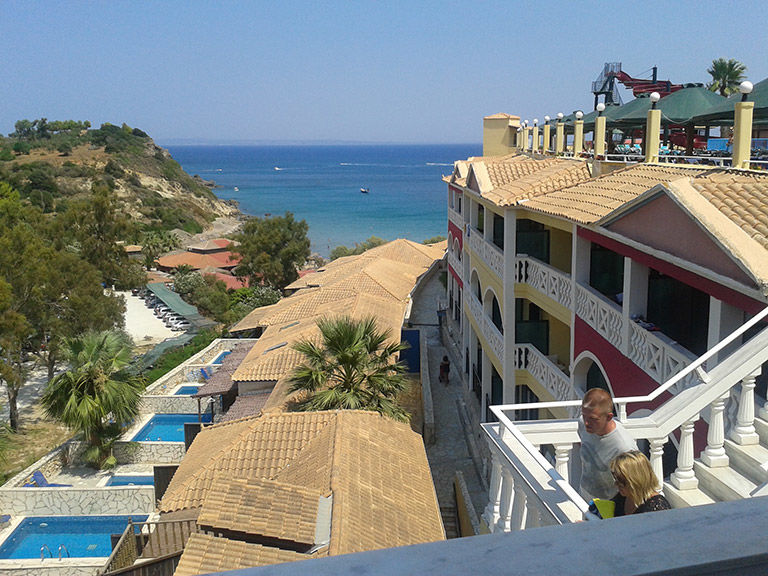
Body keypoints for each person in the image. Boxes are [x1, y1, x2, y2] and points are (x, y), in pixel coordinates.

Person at [578, 388, 637, 501]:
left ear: (609, 417)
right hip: (584, 495)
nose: (586, 423)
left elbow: (634, 485)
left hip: (609, 503)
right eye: (584, 415)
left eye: (593, 419)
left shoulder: (624, 447)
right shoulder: (582, 423)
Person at [610, 450, 671, 516]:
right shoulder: (623, 497)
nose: (616, 484)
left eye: (621, 481)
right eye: (615, 478)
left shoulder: (657, 509)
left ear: (635, 481)